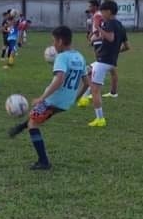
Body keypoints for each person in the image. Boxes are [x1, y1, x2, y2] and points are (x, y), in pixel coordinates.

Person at [8, 25, 88, 170]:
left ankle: (43, 162)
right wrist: (76, 98)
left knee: (33, 124)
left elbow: (59, 79)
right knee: (36, 116)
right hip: (66, 102)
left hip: (53, 100)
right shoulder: (80, 57)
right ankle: (19, 127)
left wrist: (42, 97)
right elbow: (87, 83)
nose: (53, 44)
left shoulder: (62, 57)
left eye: (54, 41)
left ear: (60, 41)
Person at [87, 0, 126, 127]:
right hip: (110, 61)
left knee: (95, 90)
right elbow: (127, 46)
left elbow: (110, 38)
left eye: (103, 12)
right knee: (87, 70)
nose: (101, 15)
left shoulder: (109, 23)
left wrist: (98, 28)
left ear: (109, 12)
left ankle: (100, 119)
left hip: (103, 61)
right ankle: (83, 98)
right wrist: (115, 52)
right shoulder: (120, 25)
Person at [77, 0, 104, 107]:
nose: (89, 8)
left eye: (90, 6)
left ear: (95, 6)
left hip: (98, 42)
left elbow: (97, 29)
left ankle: (92, 90)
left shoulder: (97, 15)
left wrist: (93, 37)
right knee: (99, 64)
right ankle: (93, 89)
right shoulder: (97, 15)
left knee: (99, 64)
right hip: (98, 41)